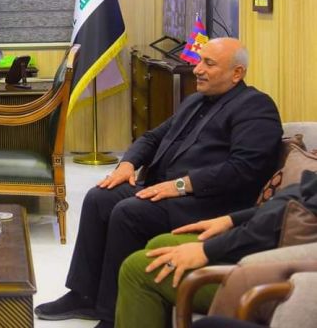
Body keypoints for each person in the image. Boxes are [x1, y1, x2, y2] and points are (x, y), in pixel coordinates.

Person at [34, 38, 283, 328]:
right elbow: (153, 137)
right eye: (199, 61)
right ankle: (84, 295)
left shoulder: (256, 107)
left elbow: (244, 169)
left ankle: (113, 314)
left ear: (237, 73)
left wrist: (180, 185)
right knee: (99, 196)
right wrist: (127, 164)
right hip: (165, 189)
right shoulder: (196, 100)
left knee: (130, 212)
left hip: (207, 203)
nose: (197, 70)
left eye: (209, 64)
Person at [115, 170, 317, 328]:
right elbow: (294, 198)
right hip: (255, 240)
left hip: (274, 270)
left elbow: (274, 222)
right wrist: (230, 220)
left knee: (137, 269)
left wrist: (208, 250)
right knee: (161, 243)